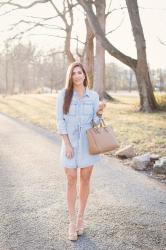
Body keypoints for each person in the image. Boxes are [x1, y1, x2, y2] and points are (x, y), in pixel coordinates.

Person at [56, 62, 106, 241]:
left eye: (80, 72)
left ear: (85, 75)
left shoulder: (93, 96)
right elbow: (60, 121)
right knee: (70, 180)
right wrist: (67, 144)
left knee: (85, 180)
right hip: (69, 143)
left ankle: (80, 218)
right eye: (74, 73)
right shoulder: (63, 95)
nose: (77, 76)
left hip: (88, 144)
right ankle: (70, 221)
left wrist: (100, 112)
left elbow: (96, 124)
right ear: (70, 77)